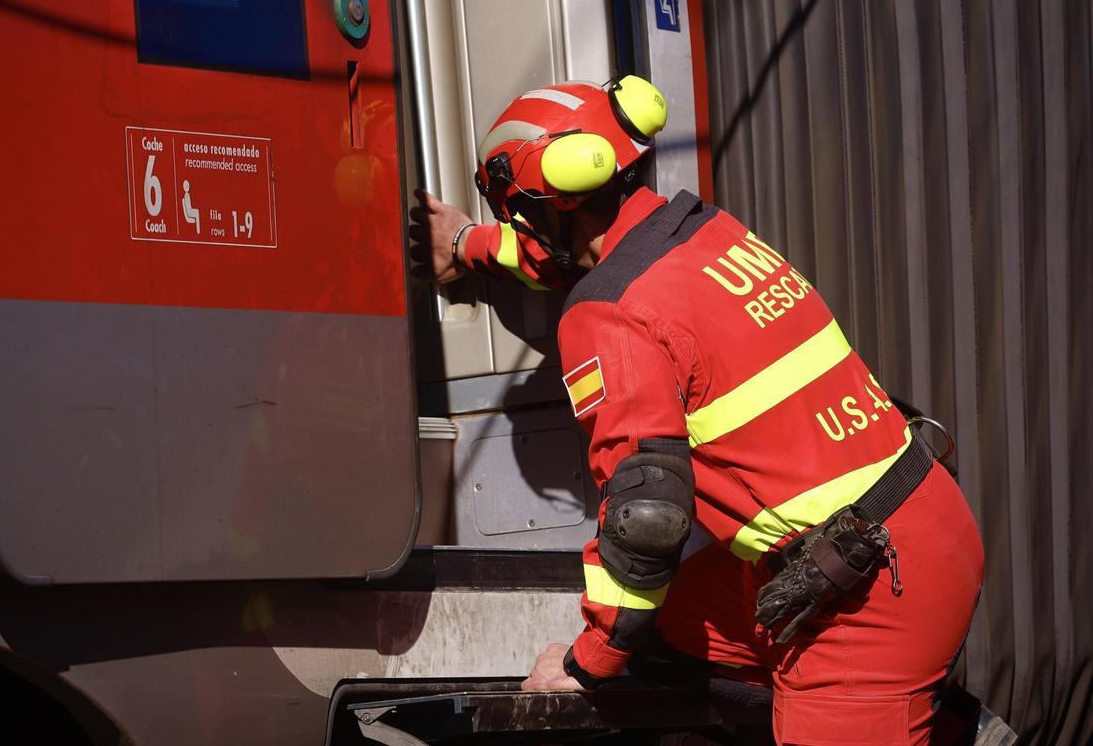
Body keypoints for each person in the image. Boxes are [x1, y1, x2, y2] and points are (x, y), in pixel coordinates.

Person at [411, 76, 985, 746]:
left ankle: (920, 724)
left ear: (553, 204)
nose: (521, 227)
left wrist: (586, 664)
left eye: (521, 212)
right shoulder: (701, 232)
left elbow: (646, 517)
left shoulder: (608, 316)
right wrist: (467, 245)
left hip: (861, 603)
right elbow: (570, 255)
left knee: (642, 638)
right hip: (918, 522)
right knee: (668, 627)